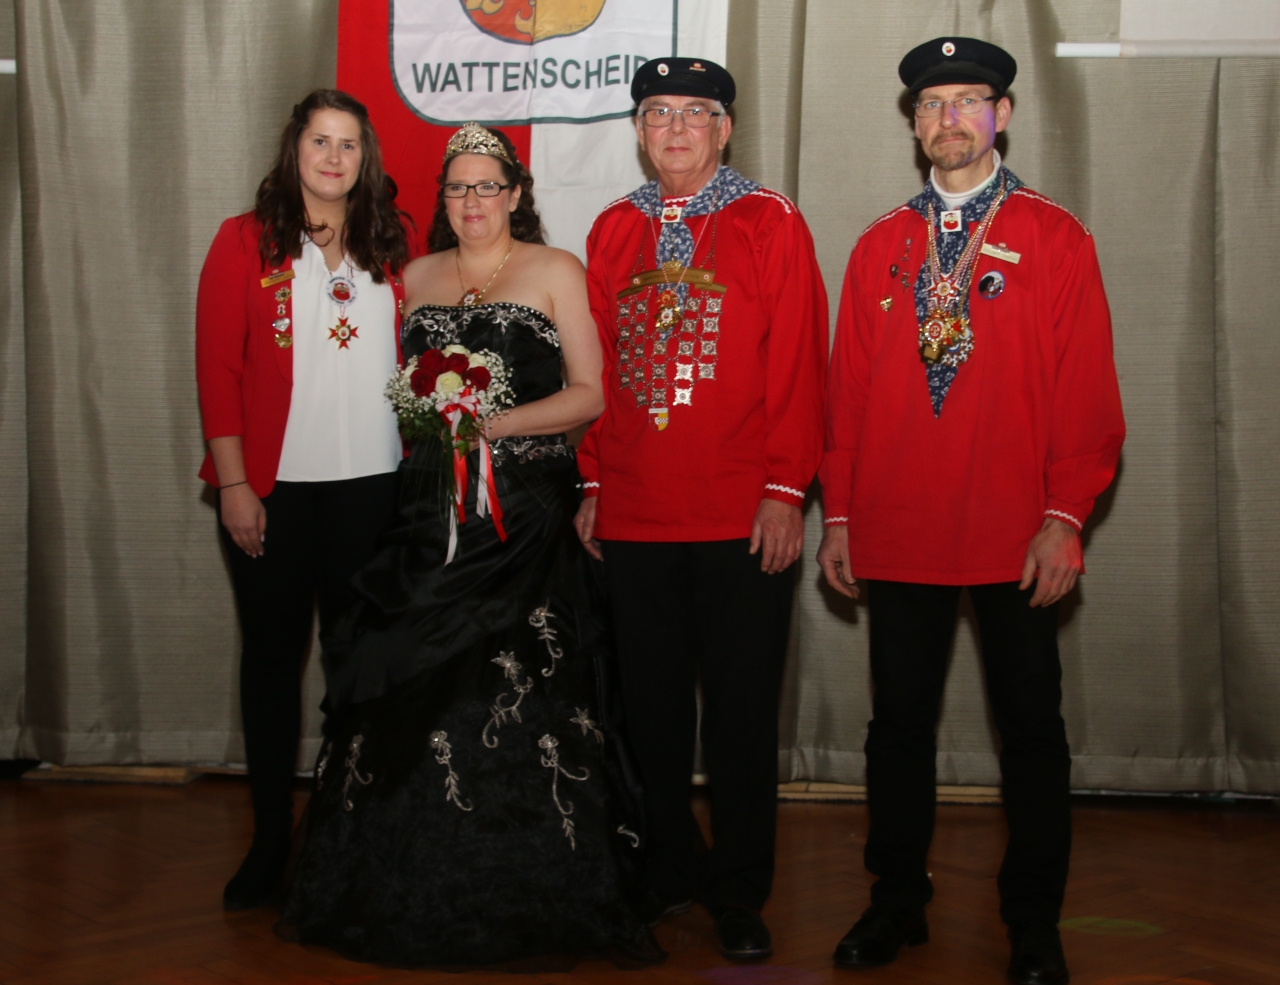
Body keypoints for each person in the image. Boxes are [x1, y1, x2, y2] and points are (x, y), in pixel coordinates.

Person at [277, 123, 663, 970]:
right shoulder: (412, 278)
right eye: (458, 187)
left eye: (488, 185)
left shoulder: (556, 271)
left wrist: (496, 424)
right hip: (426, 514)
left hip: (524, 515)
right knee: (412, 682)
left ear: (516, 194)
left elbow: (591, 394)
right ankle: (398, 877)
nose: (473, 200)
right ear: (443, 199)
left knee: (518, 687)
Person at [817, 38, 1125, 985]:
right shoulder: (880, 243)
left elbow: (1087, 394)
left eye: (968, 100)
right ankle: (896, 901)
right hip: (899, 524)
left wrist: (1066, 516)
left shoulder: (1056, 236)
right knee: (897, 729)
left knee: (1031, 730)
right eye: (931, 103)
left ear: (1003, 114)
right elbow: (846, 396)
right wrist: (839, 516)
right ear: (913, 122)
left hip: (1016, 530)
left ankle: (1033, 920)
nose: (948, 118)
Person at [574, 58, 829, 960]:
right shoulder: (613, 229)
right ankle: (669, 863)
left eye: (695, 113)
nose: (675, 128)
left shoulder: (769, 220)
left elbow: (799, 362)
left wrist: (785, 490)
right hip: (636, 513)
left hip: (741, 515)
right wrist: (593, 480)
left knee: (739, 713)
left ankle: (740, 887)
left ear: (724, 128)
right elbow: (594, 370)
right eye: (657, 112)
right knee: (649, 710)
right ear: (639, 130)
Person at [196, 89, 411, 911]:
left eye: (348, 144)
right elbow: (217, 369)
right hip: (271, 492)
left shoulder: (394, 241)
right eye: (320, 141)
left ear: (365, 158)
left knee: (360, 668)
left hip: (373, 488)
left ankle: (347, 832)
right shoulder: (243, 240)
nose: (333, 157)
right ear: (295, 150)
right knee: (273, 659)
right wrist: (236, 485)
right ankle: (268, 838)